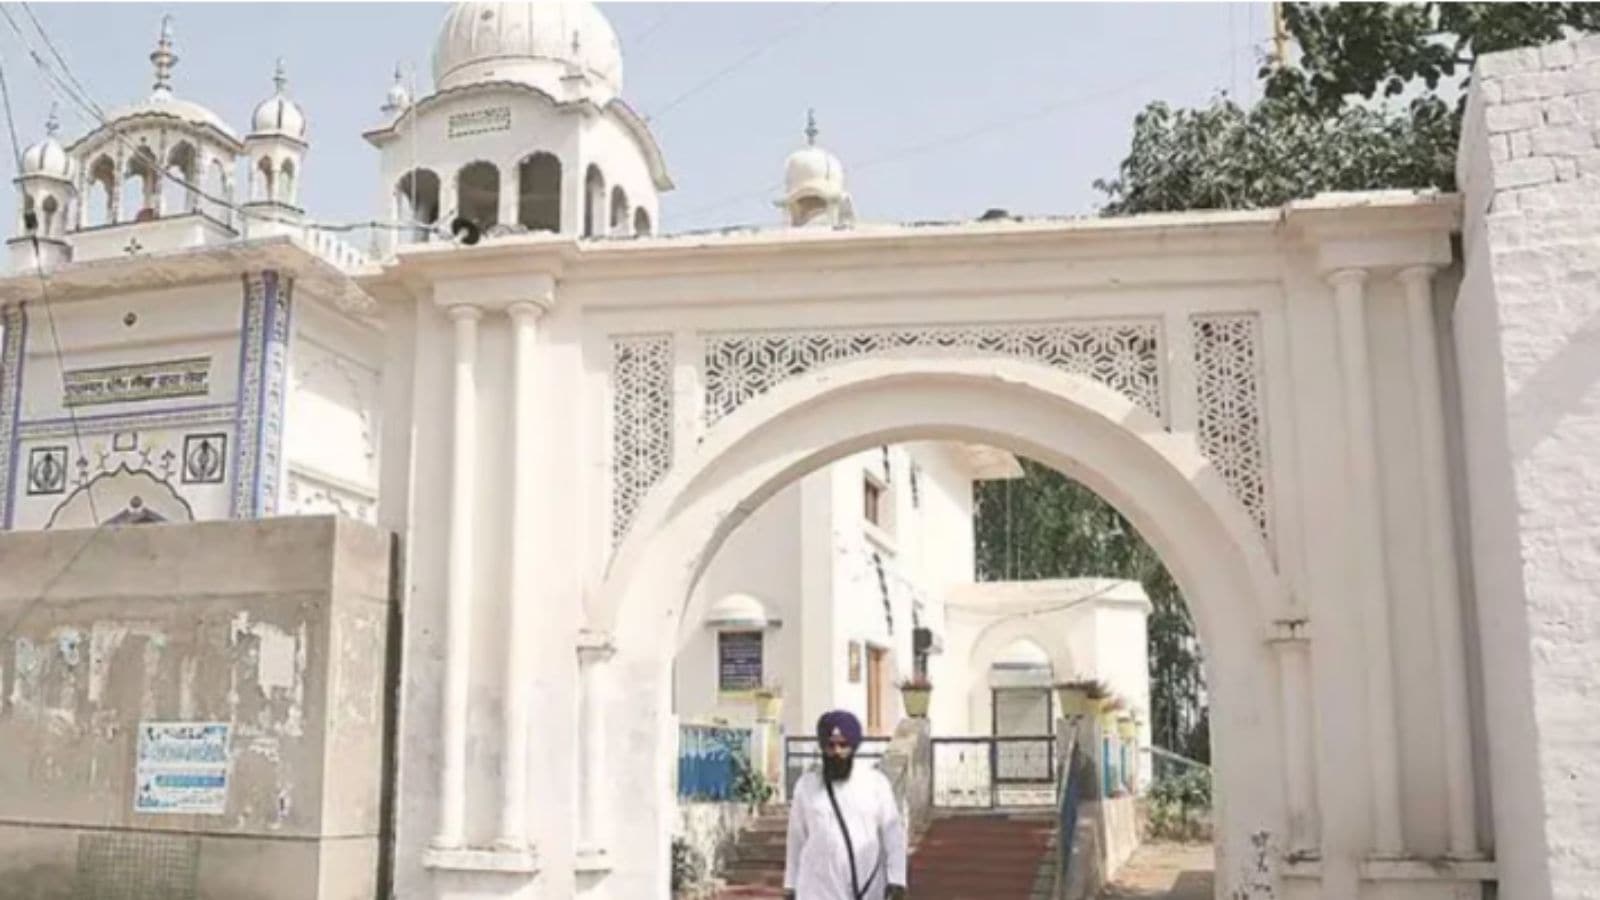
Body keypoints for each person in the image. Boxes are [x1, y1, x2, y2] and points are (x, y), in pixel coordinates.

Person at [784, 710, 908, 900]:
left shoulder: (875, 783)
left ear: (854, 747)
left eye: (843, 745)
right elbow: (796, 839)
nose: (837, 752)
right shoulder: (806, 786)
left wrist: (896, 879)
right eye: (831, 746)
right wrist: (790, 886)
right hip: (816, 888)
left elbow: (892, 834)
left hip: (866, 888)